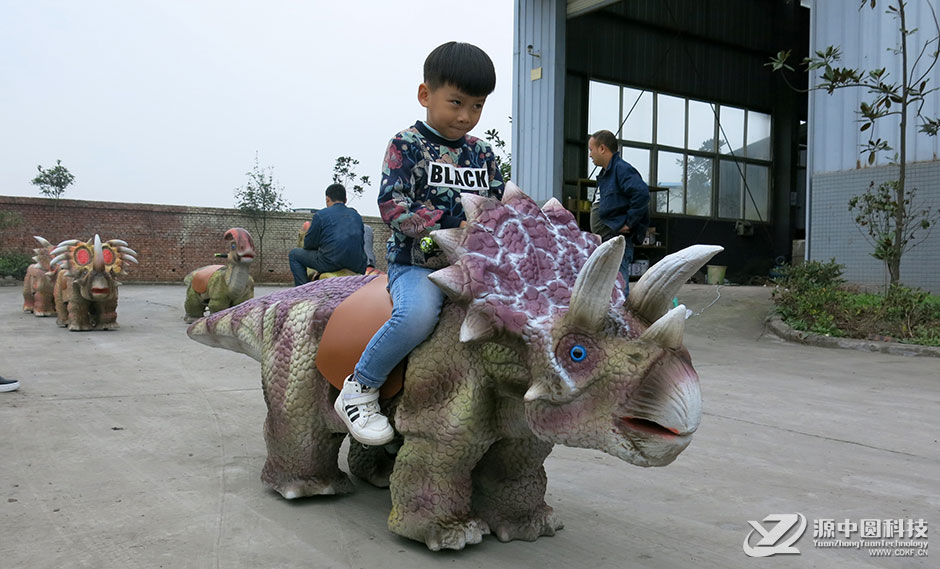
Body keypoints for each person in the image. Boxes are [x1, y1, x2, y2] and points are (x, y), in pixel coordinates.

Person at [333, 41, 504, 445]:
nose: (466, 117)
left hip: (472, 265)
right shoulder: (407, 145)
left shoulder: (484, 154)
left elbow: (497, 207)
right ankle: (360, 387)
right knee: (417, 317)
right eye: (457, 102)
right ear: (426, 94)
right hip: (418, 263)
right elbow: (393, 205)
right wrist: (450, 224)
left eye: (477, 106)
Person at [588, 129, 650, 289]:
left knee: (618, 285)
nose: (590, 155)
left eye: (591, 150)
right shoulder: (607, 173)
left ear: (602, 148)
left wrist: (629, 223)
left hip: (616, 237)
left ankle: (620, 313)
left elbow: (641, 193)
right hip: (607, 238)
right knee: (608, 285)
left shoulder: (621, 169)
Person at [288, 184, 368, 286]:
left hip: (331, 263)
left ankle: (303, 290)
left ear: (327, 199)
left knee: (294, 254)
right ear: (345, 200)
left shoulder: (321, 215)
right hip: (358, 265)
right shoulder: (356, 216)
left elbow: (309, 244)